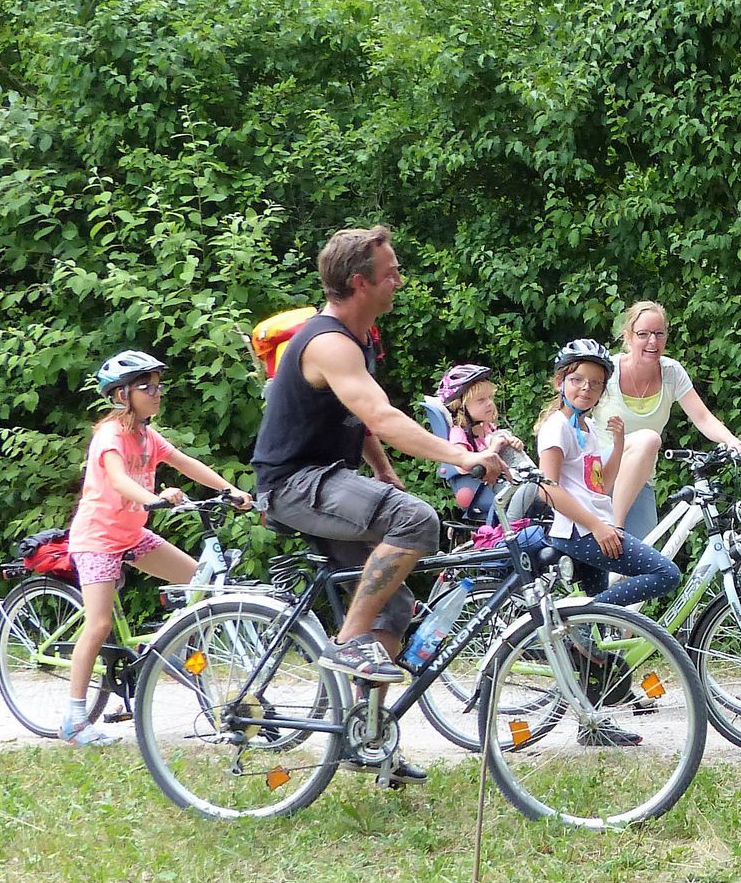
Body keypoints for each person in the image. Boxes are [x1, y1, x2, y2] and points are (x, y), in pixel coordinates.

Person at [250, 228, 509, 747]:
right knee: (416, 519)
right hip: (295, 483)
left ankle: (364, 739)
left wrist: (384, 471)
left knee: (392, 610)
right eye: (390, 273)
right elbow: (383, 416)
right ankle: (348, 641)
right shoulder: (328, 343)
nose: (399, 281)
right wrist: (463, 455)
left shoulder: (361, 339)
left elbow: (359, 419)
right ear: (359, 282)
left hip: (329, 480)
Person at [59, 351, 250, 746]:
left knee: (201, 583)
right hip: (98, 540)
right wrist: (153, 498)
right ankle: (74, 720)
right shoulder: (110, 436)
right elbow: (117, 479)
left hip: (132, 535)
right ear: (122, 395)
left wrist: (229, 490)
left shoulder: (147, 436)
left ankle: (164, 651)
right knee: (99, 624)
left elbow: (185, 462)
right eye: (146, 387)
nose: (156, 393)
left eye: (159, 386)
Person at [535, 340, 683, 609]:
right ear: (560, 382)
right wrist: (597, 526)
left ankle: (587, 624)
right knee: (666, 574)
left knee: (598, 626)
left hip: (594, 526)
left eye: (596, 383)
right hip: (580, 532)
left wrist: (618, 444)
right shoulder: (557, 427)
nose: (586, 388)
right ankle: (583, 614)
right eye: (577, 380)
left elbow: (600, 485)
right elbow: (546, 488)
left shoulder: (588, 427)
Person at [599, 301, 741, 540]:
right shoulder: (607, 371)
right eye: (643, 334)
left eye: (659, 333)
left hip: (638, 482)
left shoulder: (671, 372)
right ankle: (617, 527)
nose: (652, 342)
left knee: (645, 558)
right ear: (628, 336)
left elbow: (702, 417)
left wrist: (731, 441)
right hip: (598, 475)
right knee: (648, 440)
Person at [430, 363, 523, 527]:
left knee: (538, 489)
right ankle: (509, 529)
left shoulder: (489, 428)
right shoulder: (459, 433)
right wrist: (493, 449)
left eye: (490, 398)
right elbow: (461, 465)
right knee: (527, 491)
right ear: (460, 406)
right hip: (484, 488)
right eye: (481, 400)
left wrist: (513, 443)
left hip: (506, 481)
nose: (489, 403)